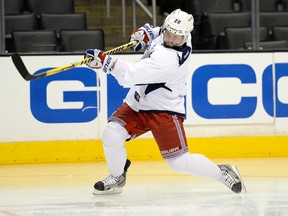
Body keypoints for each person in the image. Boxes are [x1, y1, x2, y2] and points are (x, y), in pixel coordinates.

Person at [84, 9, 246, 195]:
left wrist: (107, 63)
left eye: (176, 37)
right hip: (138, 102)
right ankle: (117, 176)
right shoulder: (178, 31)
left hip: (164, 109)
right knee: (112, 134)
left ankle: (221, 172)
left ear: (185, 36)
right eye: (169, 33)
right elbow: (162, 31)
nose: (170, 39)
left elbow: (130, 75)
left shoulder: (168, 60)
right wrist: (148, 33)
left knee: (179, 162)